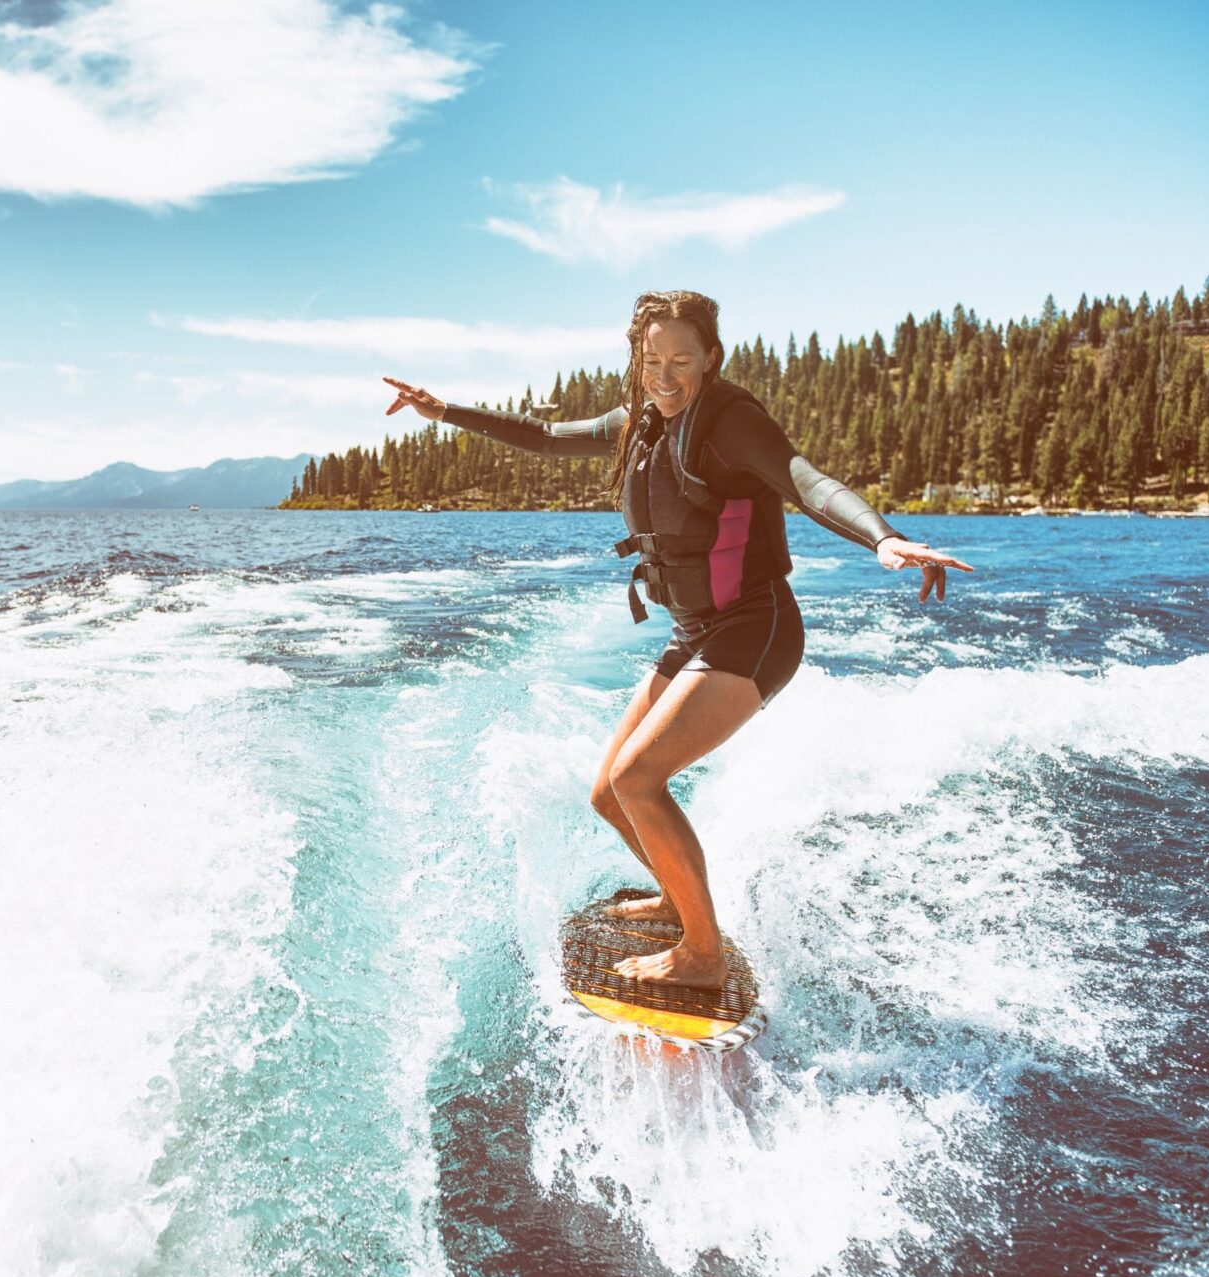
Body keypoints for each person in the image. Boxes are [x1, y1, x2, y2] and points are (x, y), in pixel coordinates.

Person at [382, 290, 972, 988]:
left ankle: (702, 953)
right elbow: (544, 435)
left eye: (681, 361)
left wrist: (885, 537)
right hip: (696, 629)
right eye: (651, 359)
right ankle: (676, 896)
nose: (664, 376)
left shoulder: (730, 423)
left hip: (755, 627)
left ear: (711, 358)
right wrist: (444, 410)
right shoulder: (638, 420)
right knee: (608, 791)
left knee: (640, 777)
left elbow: (805, 480)